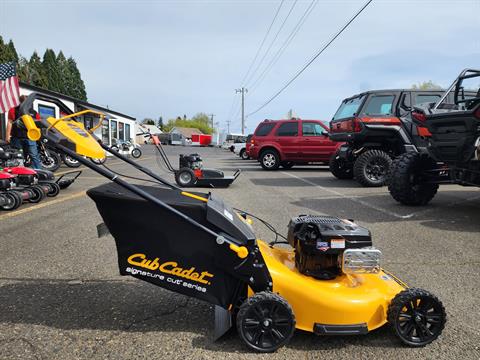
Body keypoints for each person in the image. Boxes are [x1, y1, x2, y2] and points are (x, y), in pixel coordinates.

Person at [5, 95, 42, 169]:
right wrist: (7, 135)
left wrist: (38, 136)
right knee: (18, 155)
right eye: (23, 101)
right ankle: (19, 172)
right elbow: (10, 122)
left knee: (34, 155)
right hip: (16, 137)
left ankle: (38, 171)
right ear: (20, 101)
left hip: (30, 138)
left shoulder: (34, 112)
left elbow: (38, 125)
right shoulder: (13, 110)